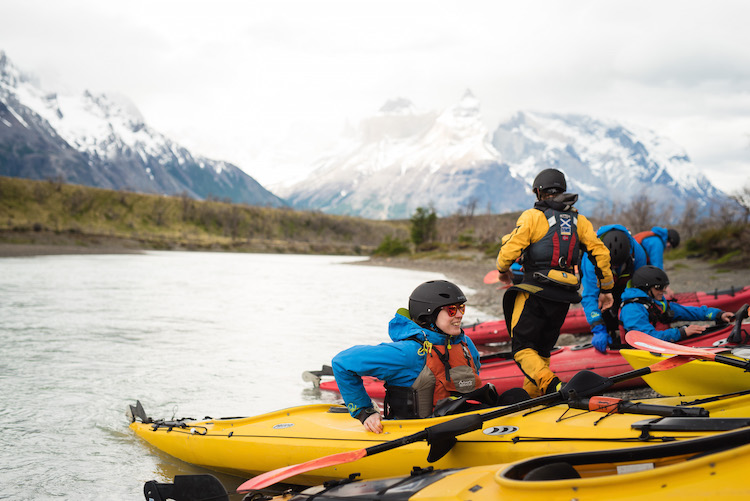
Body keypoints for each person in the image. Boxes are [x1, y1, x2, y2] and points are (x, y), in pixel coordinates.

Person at [496, 168, 614, 398]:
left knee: (522, 349)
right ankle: (535, 398)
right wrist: (606, 289)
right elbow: (601, 254)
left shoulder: (532, 216)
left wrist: (502, 270)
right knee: (541, 350)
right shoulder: (580, 221)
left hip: (535, 290)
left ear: (539, 193)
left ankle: (552, 385)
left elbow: (509, 251)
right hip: (564, 295)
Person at [331, 280, 483, 433]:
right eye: (452, 310)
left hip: (465, 425)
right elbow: (342, 363)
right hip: (417, 434)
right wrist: (365, 412)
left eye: (461, 308)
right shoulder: (408, 353)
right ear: (429, 313)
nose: (459, 315)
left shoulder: (465, 344)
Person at [580, 224, 648, 353]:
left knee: (628, 303)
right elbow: (590, 296)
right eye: (613, 266)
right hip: (600, 283)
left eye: (618, 265)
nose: (615, 268)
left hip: (624, 281)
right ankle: (609, 332)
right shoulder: (590, 258)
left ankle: (630, 332)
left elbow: (641, 287)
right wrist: (597, 327)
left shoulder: (637, 252)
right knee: (603, 304)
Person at [620, 265, 734, 341]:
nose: (664, 290)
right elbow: (645, 338)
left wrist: (717, 314)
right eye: (659, 287)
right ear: (645, 289)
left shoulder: (656, 302)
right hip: (638, 352)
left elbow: (689, 312)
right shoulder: (632, 309)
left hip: (661, 345)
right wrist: (682, 332)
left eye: (664, 287)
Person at [634, 227, 681, 296]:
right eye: (670, 246)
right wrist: (666, 288)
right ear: (669, 243)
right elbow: (657, 267)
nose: (668, 248)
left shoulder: (653, 237)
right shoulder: (657, 243)